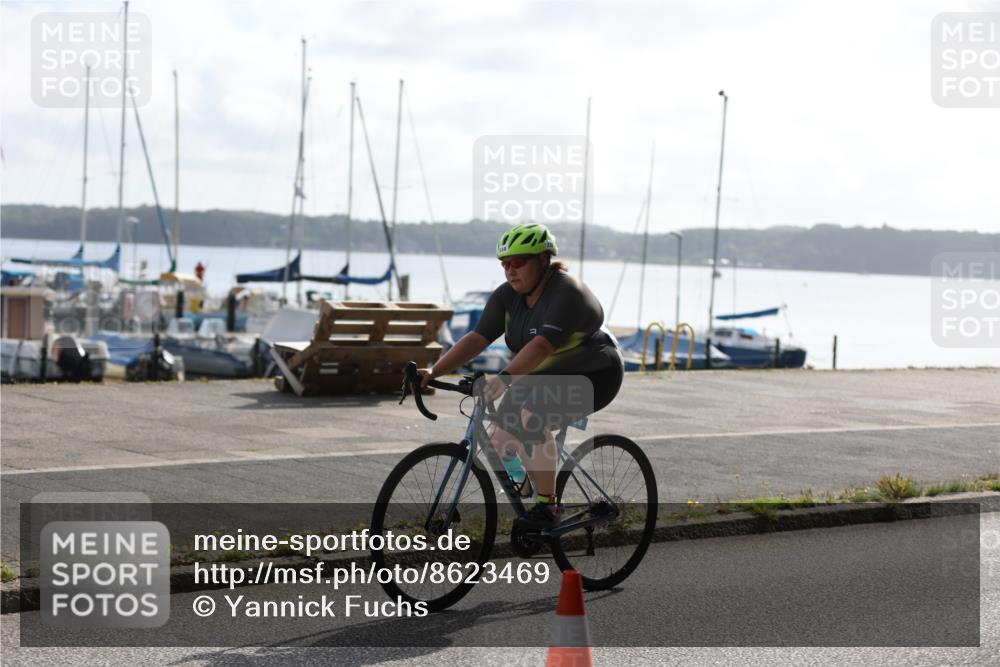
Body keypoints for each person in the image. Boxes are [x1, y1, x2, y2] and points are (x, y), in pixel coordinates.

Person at [417, 223, 625, 531]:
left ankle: (549, 506)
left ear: (543, 260)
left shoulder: (567, 292)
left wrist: (503, 379)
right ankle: (533, 482)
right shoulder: (507, 297)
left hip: (595, 374)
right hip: (544, 373)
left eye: (518, 262)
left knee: (531, 419)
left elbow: (542, 345)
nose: (510, 270)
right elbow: (478, 338)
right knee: (501, 438)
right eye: (504, 264)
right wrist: (434, 370)